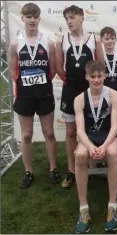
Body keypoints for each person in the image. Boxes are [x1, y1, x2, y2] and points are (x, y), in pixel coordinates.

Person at [8, 3, 60, 188]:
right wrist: (25, 83)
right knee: (27, 134)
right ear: (22, 18)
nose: (32, 20)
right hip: (24, 96)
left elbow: (52, 69)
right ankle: (28, 171)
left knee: (49, 132)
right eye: (28, 16)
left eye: (35, 16)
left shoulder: (48, 42)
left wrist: (39, 83)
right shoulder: (15, 43)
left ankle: (53, 168)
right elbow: (13, 69)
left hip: (44, 94)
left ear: (39, 19)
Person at [55, 5, 104, 188]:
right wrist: (71, 82)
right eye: (66, 18)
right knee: (70, 132)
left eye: (72, 17)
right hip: (70, 90)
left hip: (90, 91)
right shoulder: (62, 40)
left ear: (82, 18)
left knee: (92, 129)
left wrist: (92, 83)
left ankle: (93, 167)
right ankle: (71, 170)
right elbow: (59, 67)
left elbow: (100, 65)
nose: (69, 21)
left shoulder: (94, 39)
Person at [73, 60, 117, 233]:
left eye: (99, 76)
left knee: (113, 152)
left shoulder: (114, 94)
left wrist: (105, 145)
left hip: (109, 135)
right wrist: (91, 147)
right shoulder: (79, 99)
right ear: (86, 77)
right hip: (88, 137)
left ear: (105, 76)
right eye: (92, 76)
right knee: (80, 155)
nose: (96, 80)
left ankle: (112, 207)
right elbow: (79, 130)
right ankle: (83, 208)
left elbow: (115, 126)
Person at [100, 26, 117, 94]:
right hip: (103, 92)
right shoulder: (99, 56)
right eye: (107, 39)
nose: (110, 41)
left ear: (116, 39)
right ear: (101, 40)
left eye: (112, 38)